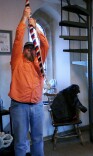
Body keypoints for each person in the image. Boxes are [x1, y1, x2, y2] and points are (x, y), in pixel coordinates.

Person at [8, 5, 49, 156]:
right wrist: (24, 18)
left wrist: (36, 27)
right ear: (23, 51)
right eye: (27, 48)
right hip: (19, 106)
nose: (30, 50)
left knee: (38, 138)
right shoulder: (17, 61)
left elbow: (45, 45)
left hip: (37, 105)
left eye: (32, 48)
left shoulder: (39, 62)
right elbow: (18, 38)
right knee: (20, 141)